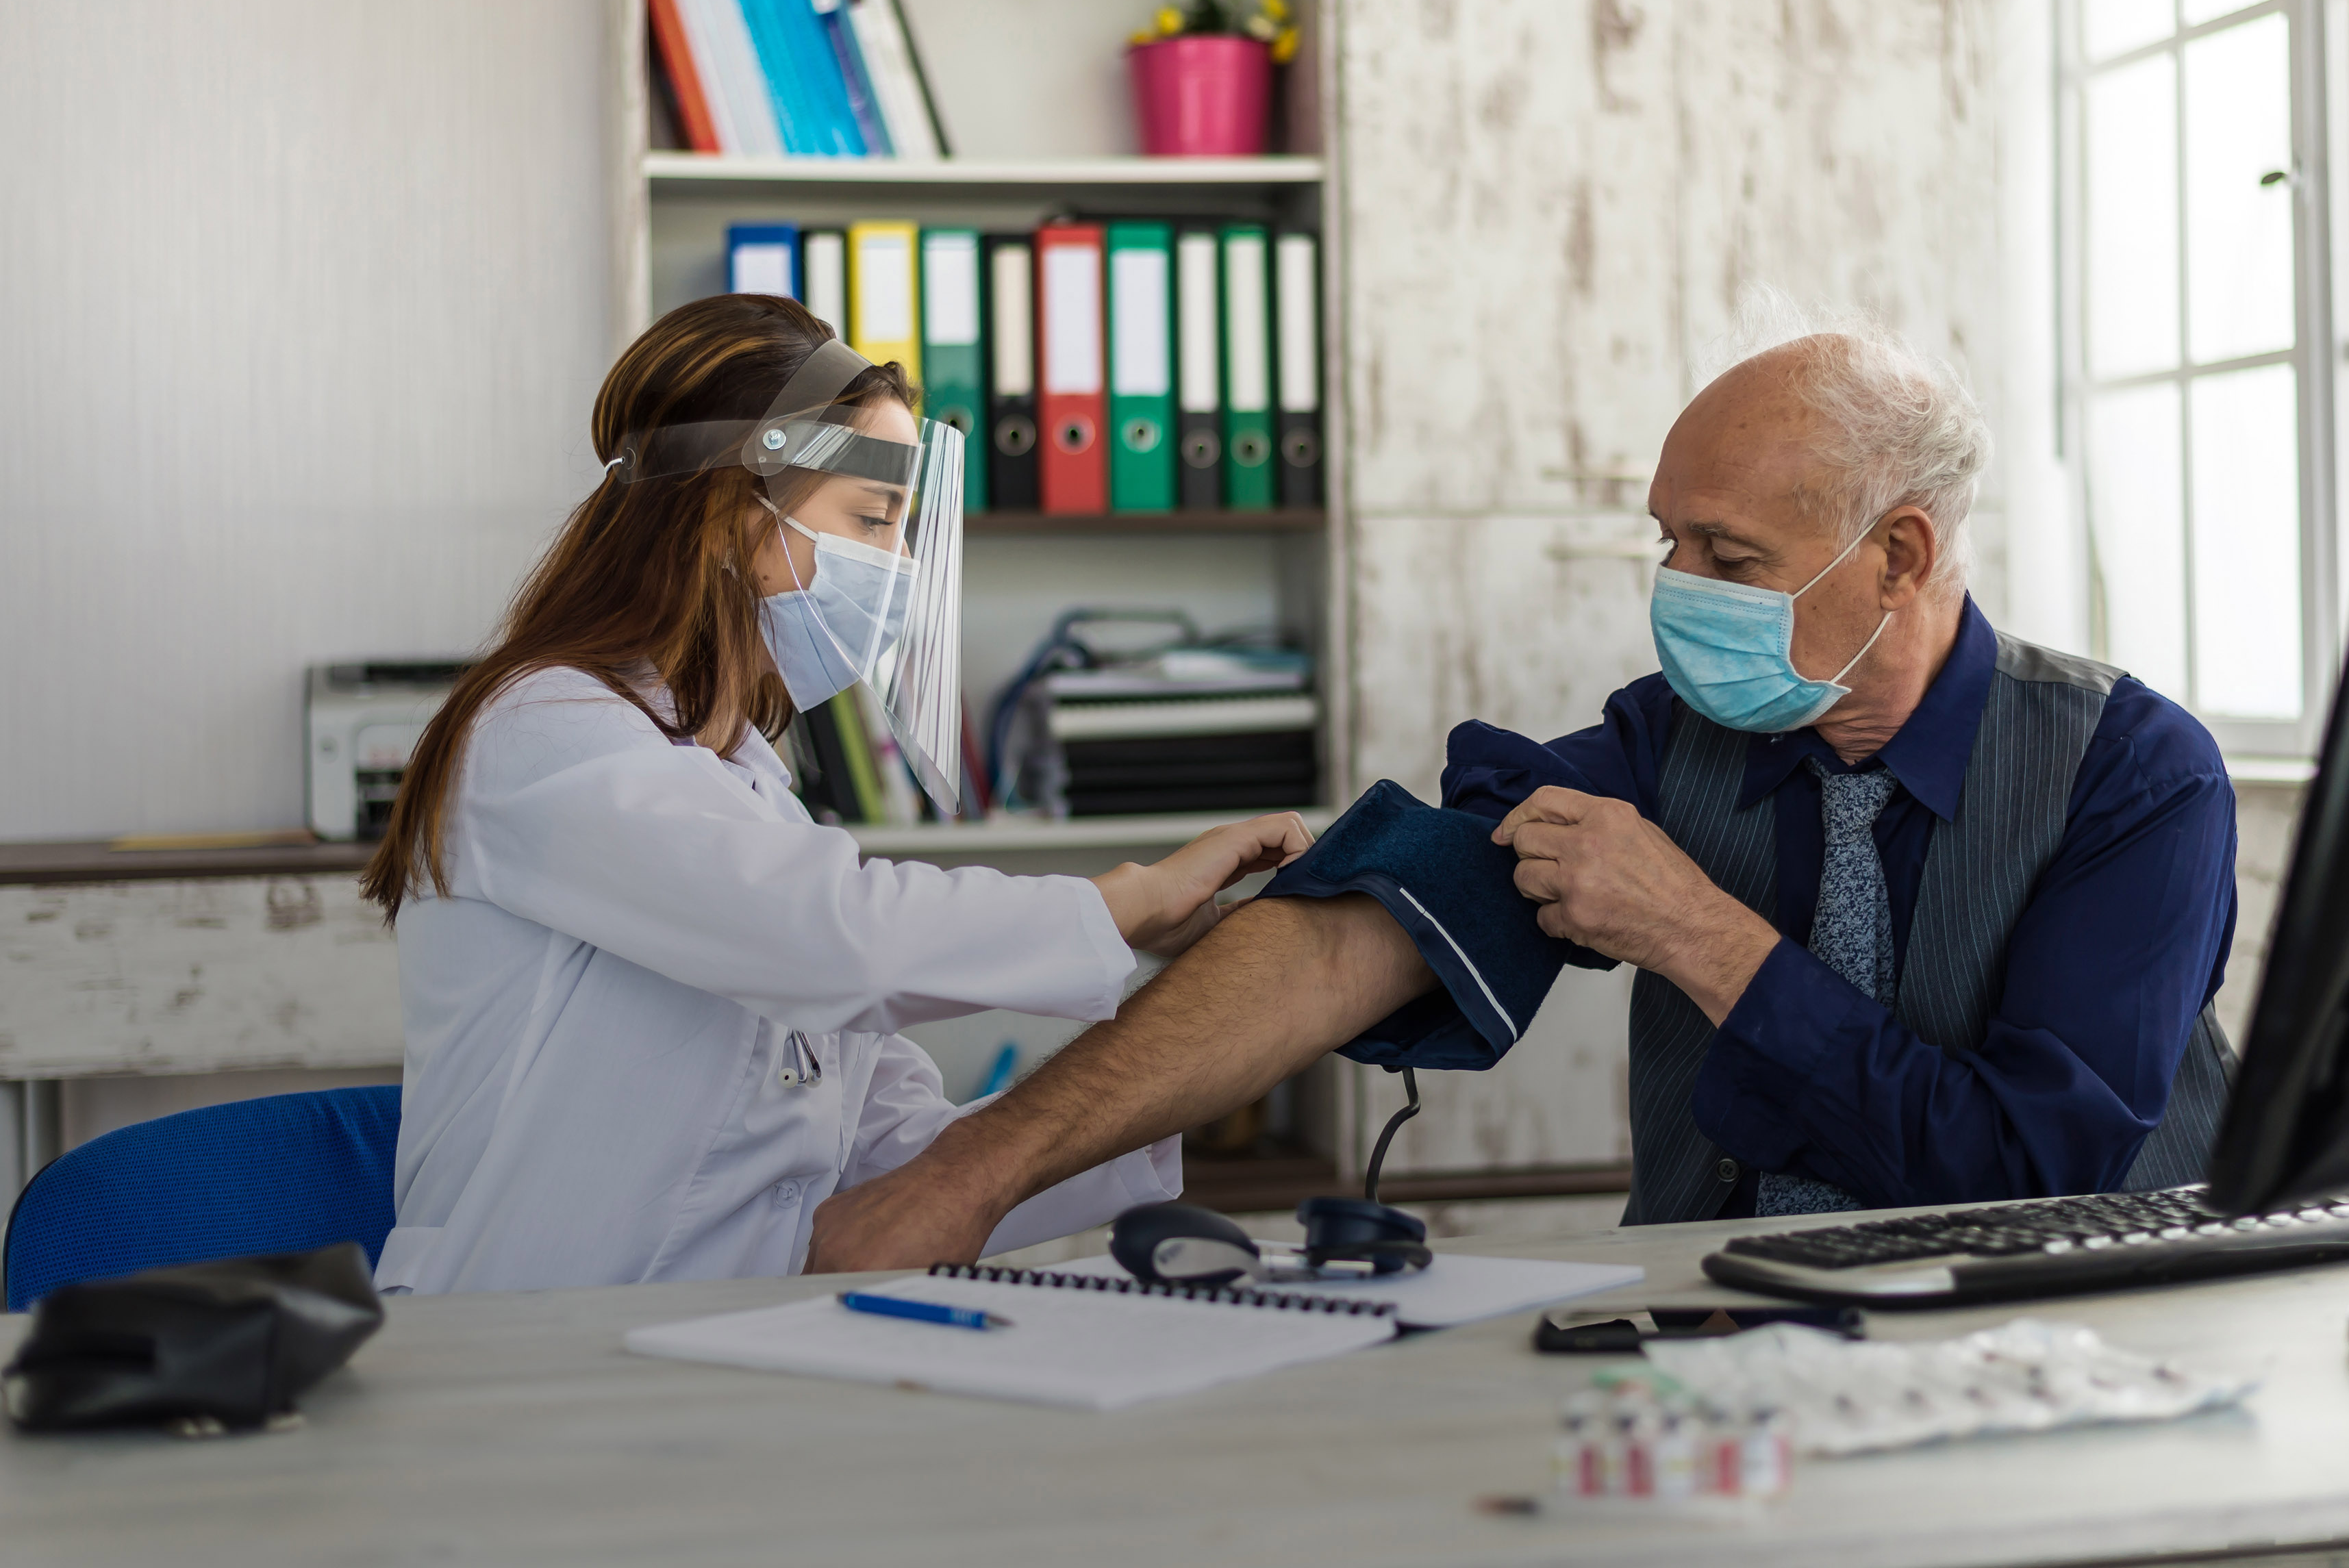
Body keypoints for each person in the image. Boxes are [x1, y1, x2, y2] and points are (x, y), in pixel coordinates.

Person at [801, 306, 2240, 1275]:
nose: (1677, 591)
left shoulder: (2131, 774)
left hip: (2062, 1326)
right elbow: (1354, 931)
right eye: (1666, 540)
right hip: (1725, 1309)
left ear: (1904, 556)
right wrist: (974, 1170)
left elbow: (2043, 1166)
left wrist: (1702, 935)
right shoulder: (1670, 742)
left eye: (1730, 559)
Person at [359, 294, 1308, 1295]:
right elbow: (834, 939)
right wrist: (1131, 903)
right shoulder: (544, 731)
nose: (894, 572)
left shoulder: (755, 798)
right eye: (871, 521)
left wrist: (1218, 1045)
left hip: (726, 1350)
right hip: (526, 1353)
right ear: (729, 514)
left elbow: (903, 1163)